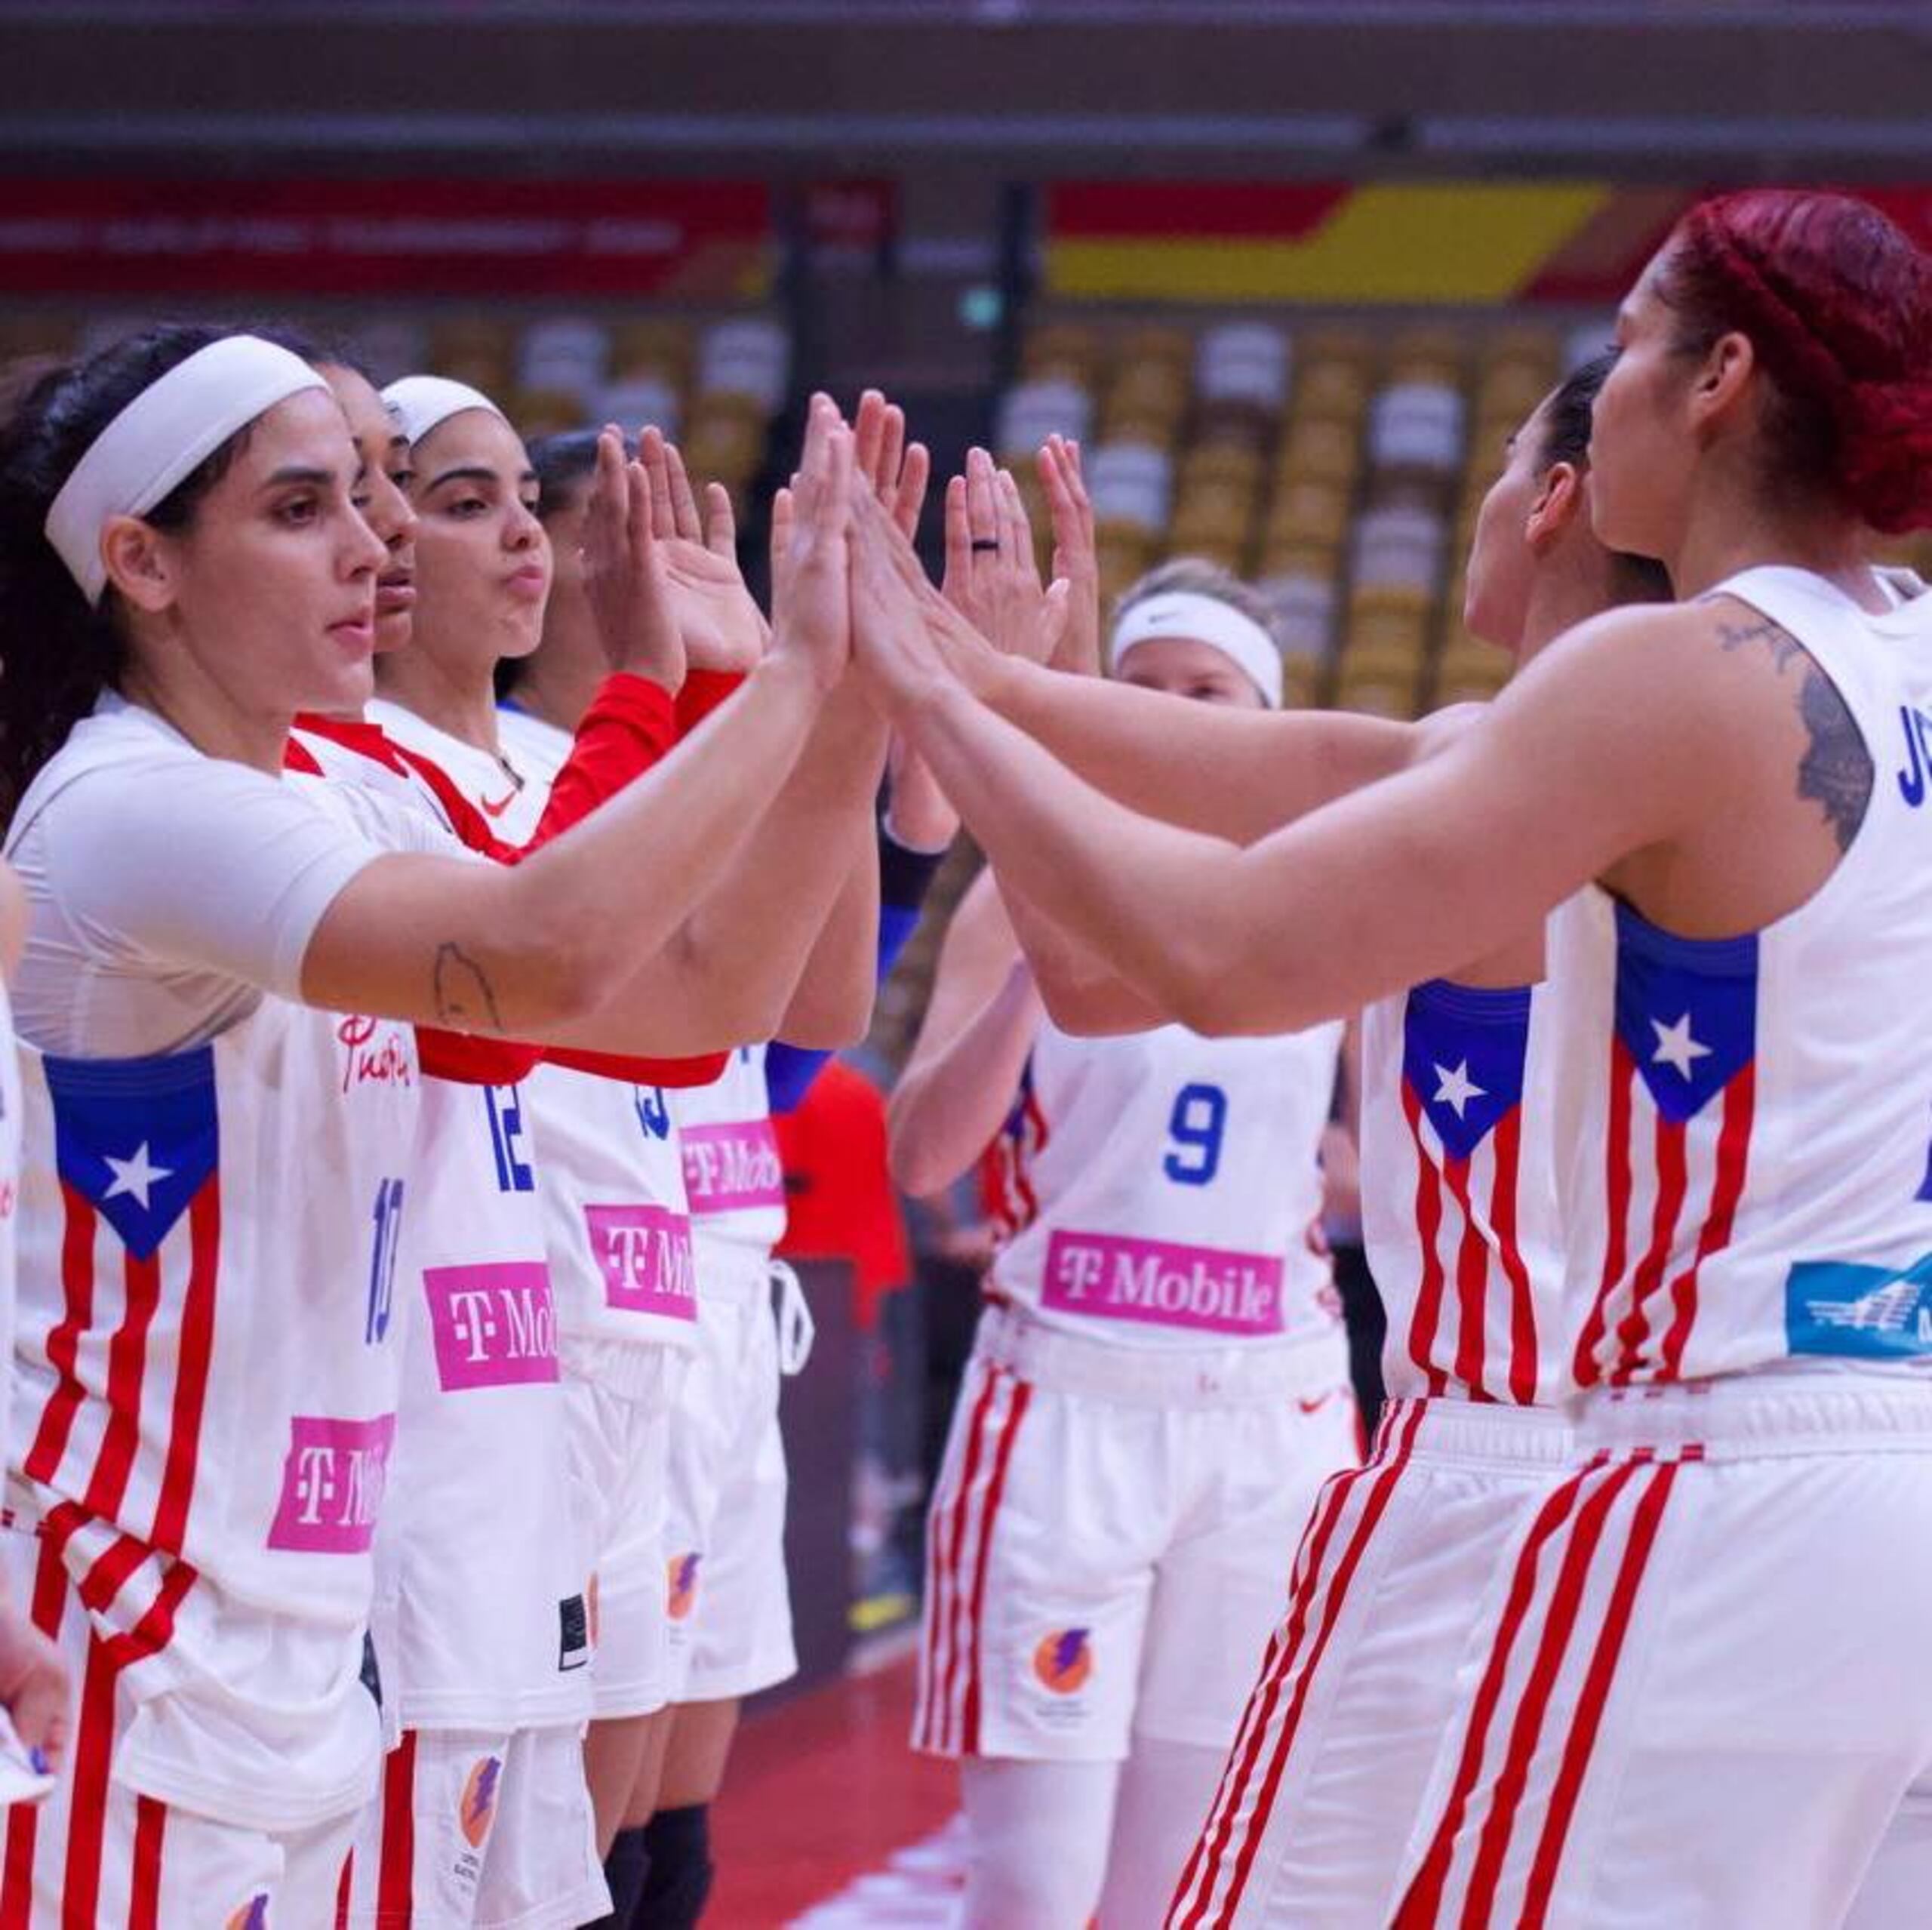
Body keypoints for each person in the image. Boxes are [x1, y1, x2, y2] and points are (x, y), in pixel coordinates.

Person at [847, 189, 1932, 1928]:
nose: (1603, 385)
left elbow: (1216, 950)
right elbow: (1313, 780)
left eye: (1632, 347)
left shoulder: (1674, 675)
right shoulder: (1889, 658)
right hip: (1891, 1465)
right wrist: (993, 685)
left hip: (1694, 1474)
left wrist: (933, 691)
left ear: (1719, 378)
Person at [0, 325, 856, 1919]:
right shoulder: (129, 802)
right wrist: (757, 683)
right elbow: (544, 951)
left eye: (373, 498)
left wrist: (815, 695)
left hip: (302, 1628)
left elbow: (699, 1008)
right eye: (302, 507)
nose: (371, 540)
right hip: (116, 1621)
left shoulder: (324, 806)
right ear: (142, 560)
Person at [500, 397, 955, 1928]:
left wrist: (835, 696)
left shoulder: (688, 760)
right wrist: (798, 688)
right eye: (600, 520)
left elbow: (806, 1013)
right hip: (549, 1334)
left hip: (702, 1311)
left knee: (654, 1852)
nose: (652, 547)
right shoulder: (482, 786)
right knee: (530, 1854)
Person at [888, 552, 1358, 1928]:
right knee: (1038, 1892)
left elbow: (1381, 1161)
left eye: (1202, 691)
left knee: (1191, 1885)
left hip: (1270, 1414)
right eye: (1138, 687)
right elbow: (923, 1150)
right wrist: (1048, 956)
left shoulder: (1334, 884)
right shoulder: (1017, 891)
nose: (1162, 715)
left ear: (1262, 716)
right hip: (1065, 1401)